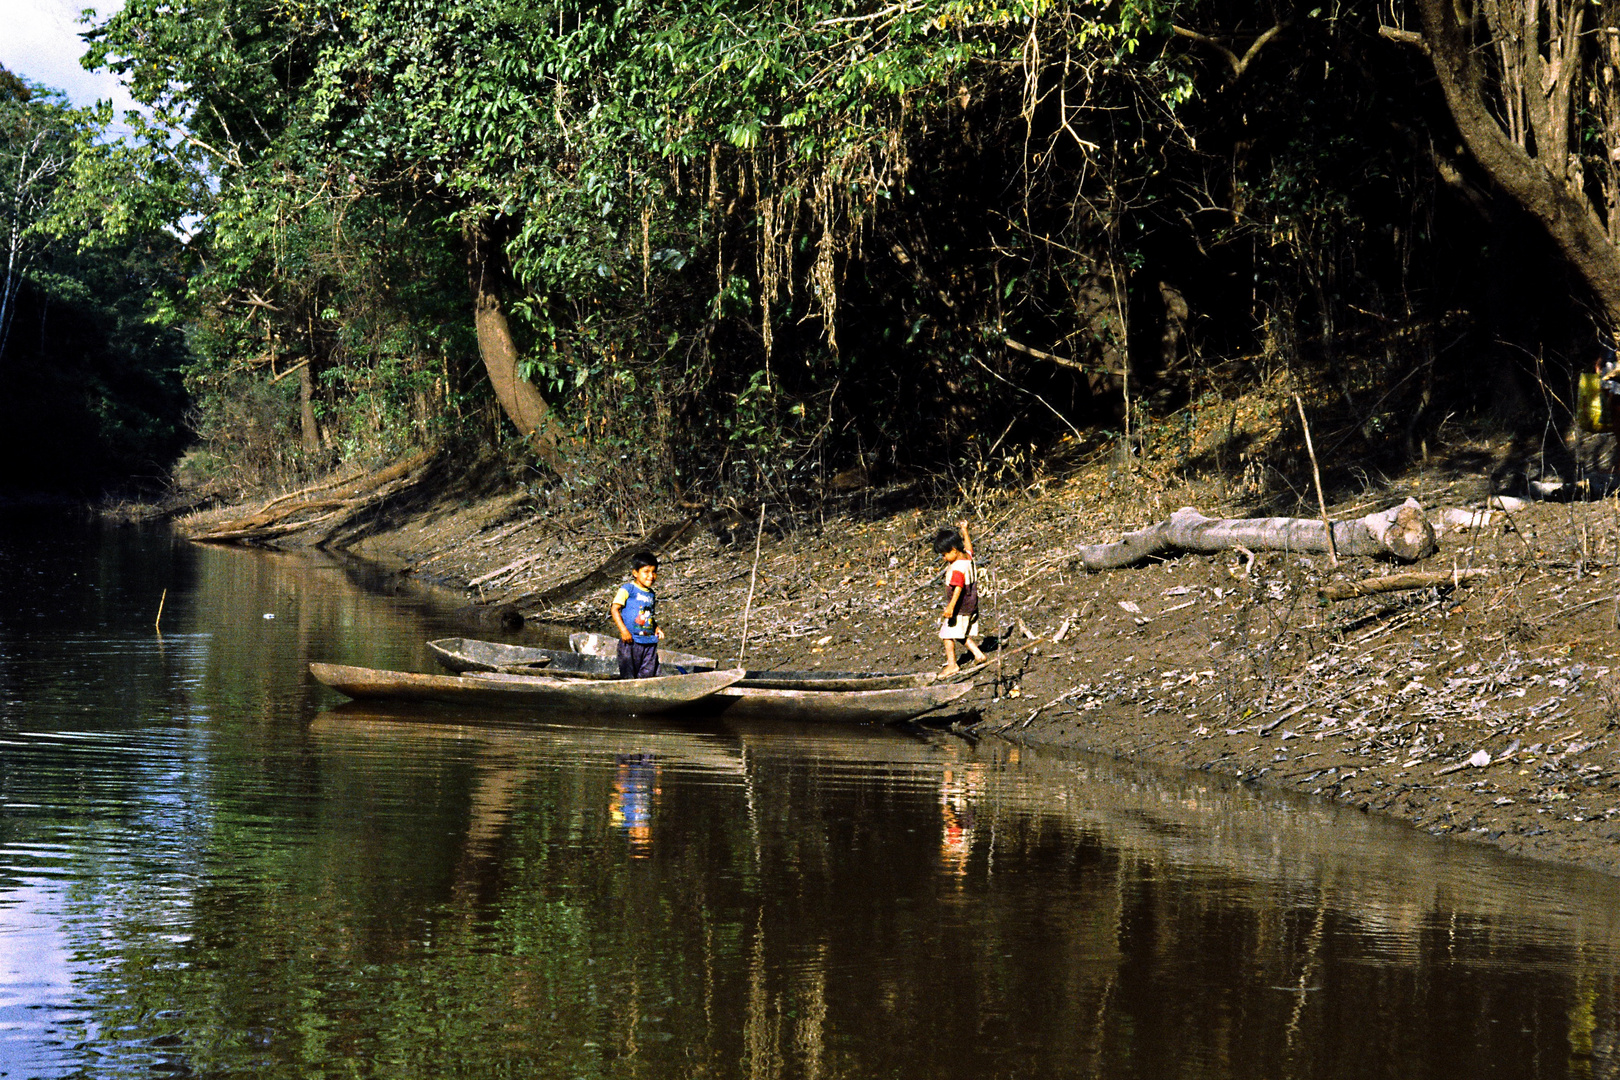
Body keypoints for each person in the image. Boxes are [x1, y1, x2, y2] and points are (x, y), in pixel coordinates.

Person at [933, 519, 987, 676]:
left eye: (945, 554)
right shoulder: (967, 559)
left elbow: (958, 587)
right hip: (971, 604)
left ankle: (952, 664)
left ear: (954, 550)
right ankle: (978, 654)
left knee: (946, 635)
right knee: (959, 633)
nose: (943, 558)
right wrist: (965, 530)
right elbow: (969, 548)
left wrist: (951, 607)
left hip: (960, 607)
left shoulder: (957, 568)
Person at [610, 551, 664, 679]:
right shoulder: (628, 589)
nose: (651, 576)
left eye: (654, 572)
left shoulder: (651, 594)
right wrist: (623, 631)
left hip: (649, 641)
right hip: (630, 641)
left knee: (647, 674)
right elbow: (614, 609)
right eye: (646, 572)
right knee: (628, 675)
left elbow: (649, 615)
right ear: (635, 573)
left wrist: (656, 628)